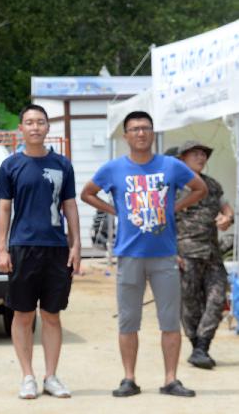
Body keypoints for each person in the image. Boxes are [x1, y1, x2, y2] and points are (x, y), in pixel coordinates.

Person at [81, 111, 207, 398]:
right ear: (125, 136)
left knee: (169, 320)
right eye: (134, 129)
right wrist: (114, 211)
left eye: (146, 128)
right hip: (129, 255)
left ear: (152, 133)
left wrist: (176, 207)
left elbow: (200, 188)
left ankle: (171, 379)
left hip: (164, 255)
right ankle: (129, 378)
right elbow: (87, 193)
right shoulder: (113, 168)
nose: (140, 133)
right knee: (128, 320)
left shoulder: (170, 166)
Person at [0, 104, 81, 399]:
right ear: (21, 128)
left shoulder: (62, 165)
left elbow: (69, 206)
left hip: (56, 248)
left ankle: (51, 376)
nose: (35, 127)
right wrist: (2, 249)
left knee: (52, 315)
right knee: (23, 314)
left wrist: (76, 244)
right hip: (22, 248)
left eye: (40, 122)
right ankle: (27, 376)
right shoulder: (11, 165)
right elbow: (4, 207)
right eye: (29, 122)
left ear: (47, 127)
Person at [174, 140, 235, 369]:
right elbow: (163, 221)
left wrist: (227, 217)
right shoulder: (174, 187)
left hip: (212, 254)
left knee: (217, 300)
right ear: (182, 158)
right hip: (185, 254)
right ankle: (197, 346)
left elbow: (224, 205)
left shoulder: (212, 185)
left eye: (203, 155)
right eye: (195, 154)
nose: (201, 158)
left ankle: (202, 346)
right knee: (190, 304)